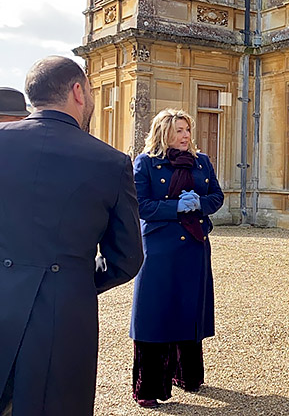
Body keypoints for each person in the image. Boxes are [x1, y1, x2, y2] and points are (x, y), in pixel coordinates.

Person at [0, 56, 144, 416]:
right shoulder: (110, 162)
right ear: (78, 92)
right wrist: (76, 277)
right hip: (66, 310)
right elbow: (127, 257)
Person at [129, 109, 224, 408]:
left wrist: (200, 203)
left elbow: (217, 197)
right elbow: (141, 205)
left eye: (187, 130)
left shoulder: (201, 161)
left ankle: (187, 375)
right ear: (164, 132)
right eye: (179, 130)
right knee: (154, 314)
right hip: (159, 249)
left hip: (194, 247)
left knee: (187, 309)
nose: (186, 136)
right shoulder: (145, 163)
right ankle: (150, 386)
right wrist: (175, 208)